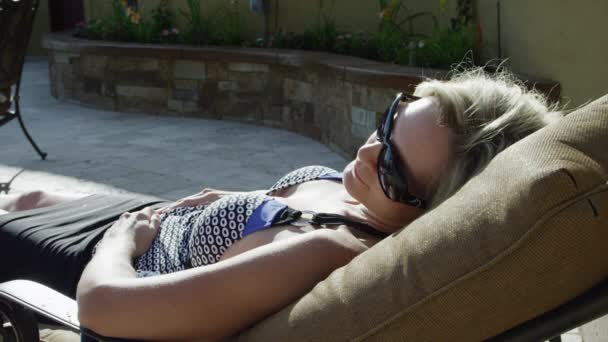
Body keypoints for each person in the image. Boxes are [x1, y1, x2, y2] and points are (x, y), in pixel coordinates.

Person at [0, 68, 562, 341]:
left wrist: (123, 239)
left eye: (390, 169)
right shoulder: (367, 206)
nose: (367, 152)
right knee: (26, 192)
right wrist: (250, 203)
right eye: (389, 121)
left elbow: (103, 308)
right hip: (159, 219)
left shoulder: (325, 250)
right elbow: (278, 218)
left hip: (109, 258)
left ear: (435, 210)